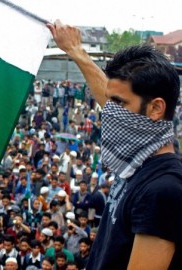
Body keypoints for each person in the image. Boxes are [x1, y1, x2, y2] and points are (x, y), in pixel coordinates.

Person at [48, 21, 182, 269]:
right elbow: (111, 96)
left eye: (119, 104)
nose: (109, 114)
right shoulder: (141, 160)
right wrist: (76, 51)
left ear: (155, 108)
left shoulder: (163, 191)